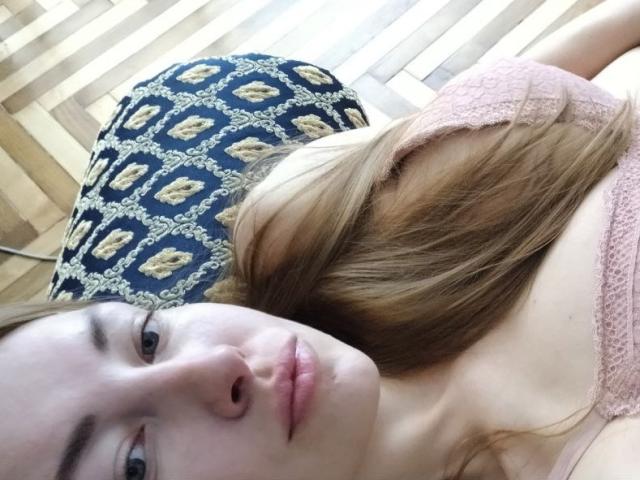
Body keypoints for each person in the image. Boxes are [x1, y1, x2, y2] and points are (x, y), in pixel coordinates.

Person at [3, 1, 640, 479]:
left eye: (146, 339)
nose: (214, 366)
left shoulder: (299, 228)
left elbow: (528, 89)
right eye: (135, 465)